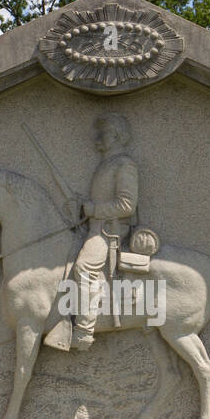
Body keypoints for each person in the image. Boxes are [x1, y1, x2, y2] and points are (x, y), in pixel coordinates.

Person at [72, 112, 139, 350]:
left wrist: (94, 209)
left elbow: (126, 205)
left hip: (109, 231)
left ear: (118, 137)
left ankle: (84, 331)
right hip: (95, 227)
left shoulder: (124, 165)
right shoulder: (106, 164)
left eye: (106, 133)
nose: (99, 137)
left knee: (84, 268)